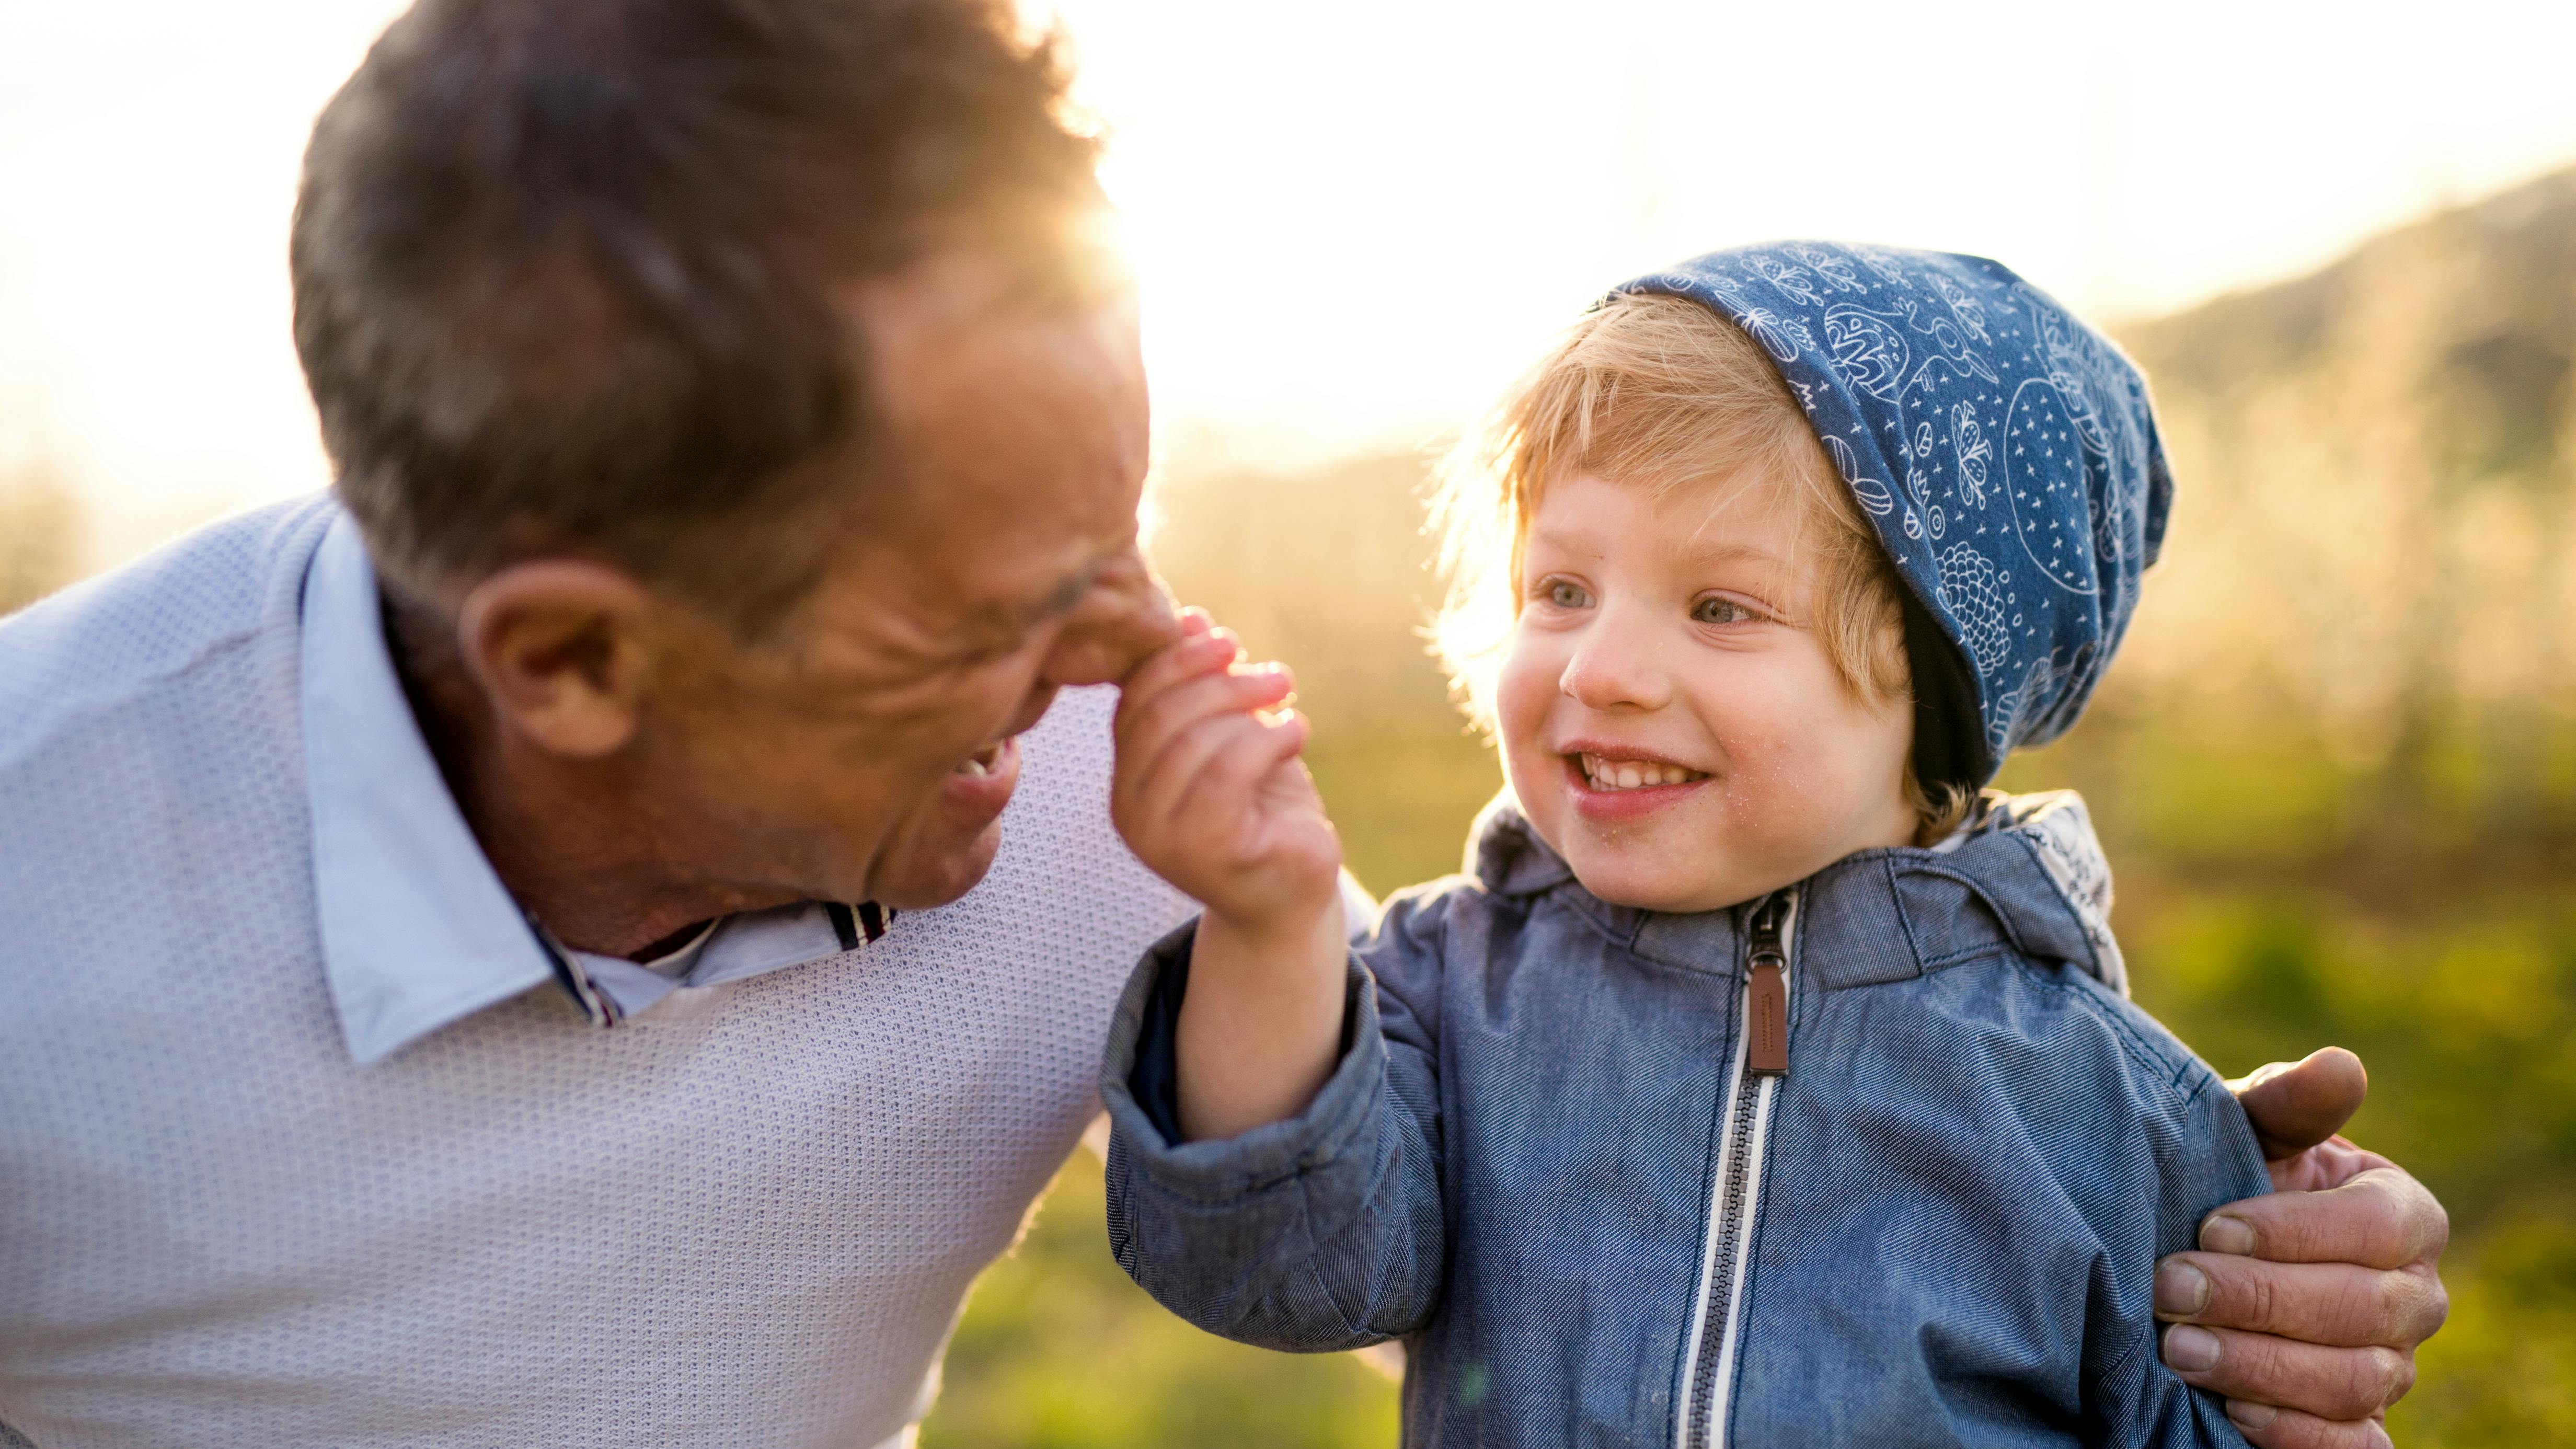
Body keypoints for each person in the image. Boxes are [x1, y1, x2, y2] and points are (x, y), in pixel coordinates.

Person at [0, 0, 2438, 1442]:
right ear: (569, 662)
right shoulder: (42, 907)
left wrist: (2225, 1240)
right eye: (1008, 605)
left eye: (1128, 517)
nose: (1140, 649)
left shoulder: (1120, 803)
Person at [1097, 247, 2447, 1447]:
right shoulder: (1447, 990)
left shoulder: (2100, 1107)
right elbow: (1283, 1263)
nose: (1604, 666)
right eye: (1560, 588)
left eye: (1721, 606)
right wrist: (1270, 921)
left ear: (1932, 681)